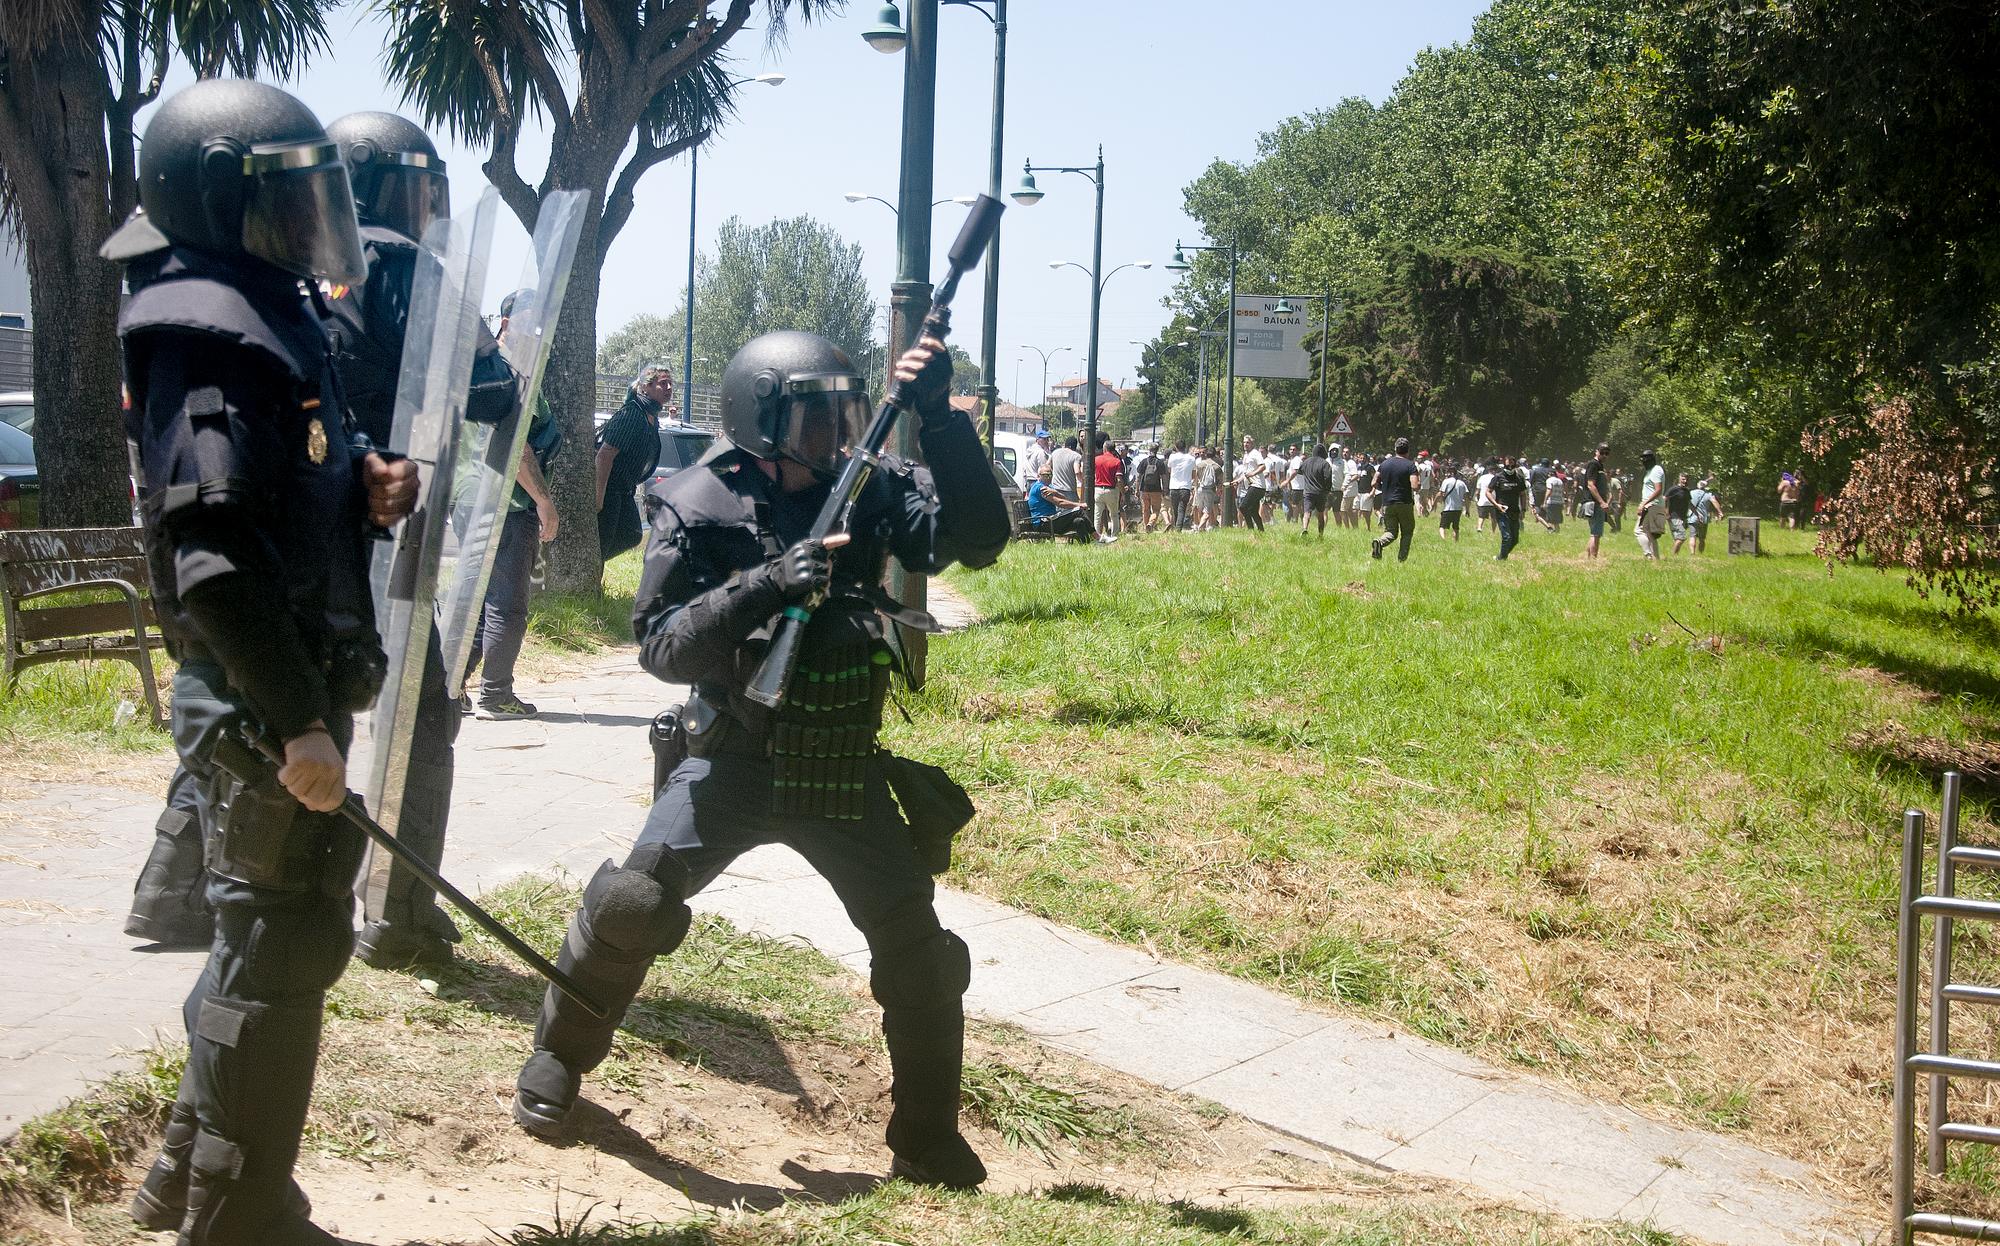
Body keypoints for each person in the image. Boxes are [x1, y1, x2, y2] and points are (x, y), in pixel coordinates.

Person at [510, 329, 1008, 1193]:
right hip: (732, 759)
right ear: (761, 419)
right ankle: (557, 1058)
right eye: (815, 422)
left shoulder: (871, 492)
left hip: (841, 766)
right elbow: (662, 650)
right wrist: (767, 584)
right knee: (630, 903)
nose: (835, 438)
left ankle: (926, 1135)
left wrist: (940, 419)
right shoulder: (695, 499)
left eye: (846, 417)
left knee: (923, 954)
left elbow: (980, 537)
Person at [105, 79, 420, 1245]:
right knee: (277, 957)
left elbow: (291, 487)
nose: (308, 221)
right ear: (218, 200)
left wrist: (375, 483)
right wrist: (298, 724)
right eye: (283, 199)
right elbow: (214, 562)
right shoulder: (209, 325)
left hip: (287, 688)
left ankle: (188, 1181)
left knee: (266, 948)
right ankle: (240, 1218)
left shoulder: (264, 308)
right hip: (258, 700)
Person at [465, 288, 562, 720]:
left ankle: (446, 688)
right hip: (507, 503)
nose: (540, 329)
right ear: (505, 322)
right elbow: (517, 448)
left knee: (477, 602)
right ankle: (495, 695)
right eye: (530, 318)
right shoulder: (514, 372)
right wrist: (544, 501)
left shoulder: (486, 368)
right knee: (508, 605)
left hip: (470, 497)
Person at [597, 364, 672, 561]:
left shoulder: (651, 418)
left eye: (670, 384)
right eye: (663, 384)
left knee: (632, 534)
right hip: (610, 489)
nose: (669, 388)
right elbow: (604, 455)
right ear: (645, 387)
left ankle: (594, 564)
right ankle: (591, 576)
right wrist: (598, 497)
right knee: (602, 543)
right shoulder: (632, 414)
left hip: (625, 488)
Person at [1369, 438, 1419, 561]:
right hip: (1404, 503)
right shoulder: (1410, 465)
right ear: (1408, 450)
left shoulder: (1384, 464)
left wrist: (1383, 487)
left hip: (1387, 503)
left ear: (1395, 449)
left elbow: (1374, 482)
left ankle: (1380, 542)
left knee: (1391, 531)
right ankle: (1401, 560)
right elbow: (1415, 486)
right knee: (1407, 532)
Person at [1026, 462, 1093, 541]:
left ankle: (1086, 544)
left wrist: (1055, 492)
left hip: (1050, 521)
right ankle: (1096, 536)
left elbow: (1063, 498)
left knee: (1078, 521)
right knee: (1078, 511)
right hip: (1043, 523)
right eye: (1045, 475)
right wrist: (1079, 505)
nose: (1048, 477)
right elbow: (1060, 503)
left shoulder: (1049, 487)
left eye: (1050, 475)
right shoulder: (1041, 488)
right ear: (1038, 476)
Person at [1580, 443, 1611, 559]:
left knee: (1594, 532)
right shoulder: (1594, 464)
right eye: (1602, 452)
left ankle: (1587, 557)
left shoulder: (1599, 465)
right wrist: (1602, 502)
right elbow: (1591, 485)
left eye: (1606, 453)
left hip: (1595, 503)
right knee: (1596, 533)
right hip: (1594, 503)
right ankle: (1593, 560)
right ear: (1596, 451)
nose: (1604, 455)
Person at [1635, 449, 1667, 559]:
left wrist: (1644, 503)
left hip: (1652, 505)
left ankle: (1649, 555)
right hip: (1652, 504)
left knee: (1639, 531)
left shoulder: (1656, 470)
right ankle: (1655, 558)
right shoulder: (1650, 471)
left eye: (1644, 458)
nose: (1643, 461)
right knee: (1650, 533)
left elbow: (1658, 489)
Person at [1091, 434, 1123, 539]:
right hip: (1111, 490)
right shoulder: (1117, 461)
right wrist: (1122, 490)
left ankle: (1097, 536)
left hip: (1098, 489)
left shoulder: (1096, 459)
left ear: (1104, 448)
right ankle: (1114, 535)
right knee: (1114, 514)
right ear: (1114, 449)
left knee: (1097, 515)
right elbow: (1119, 479)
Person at [1299, 443, 1334, 537]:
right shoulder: (1325, 464)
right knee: (1320, 514)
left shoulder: (1306, 462)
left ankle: (1305, 528)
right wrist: (1327, 490)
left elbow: (1300, 471)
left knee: (1307, 512)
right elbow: (1328, 477)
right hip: (1320, 493)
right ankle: (1320, 535)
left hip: (1308, 492)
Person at [1135, 441, 1169, 532]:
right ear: (1157, 450)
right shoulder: (1160, 463)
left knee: (1145, 509)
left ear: (1149, 450)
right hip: (1156, 490)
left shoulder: (1143, 462)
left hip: (1144, 489)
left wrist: (1137, 489)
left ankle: (1147, 527)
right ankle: (1151, 523)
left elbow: (1138, 477)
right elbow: (1164, 478)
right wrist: (1165, 489)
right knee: (1156, 510)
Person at [1236, 436, 1266, 532]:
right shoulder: (1246, 455)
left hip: (1257, 485)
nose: (1245, 444)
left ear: (1252, 444)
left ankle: (1250, 529)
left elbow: (1262, 466)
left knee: (1243, 507)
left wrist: (1252, 473)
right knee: (1253, 511)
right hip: (1251, 485)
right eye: (1244, 442)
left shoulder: (1255, 453)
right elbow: (1246, 473)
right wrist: (1238, 480)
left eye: (1247, 442)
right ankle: (1261, 531)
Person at [1689, 478, 1725, 553]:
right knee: (1702, 538)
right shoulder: (1708, 495)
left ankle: (1692, 553)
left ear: (1697, 485)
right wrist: (1720, 512)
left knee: (1693, 536)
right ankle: (1701, 552)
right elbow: (1714, 502)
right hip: (1703, 519)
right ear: (1705, 487)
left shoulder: (1691, 493)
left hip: (1692, 517)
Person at [1166, 440, 1195, 530]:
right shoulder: (1191, 458)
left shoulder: (1172, 457)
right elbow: (1193, 474)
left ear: (1176, 447)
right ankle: (1178, 528)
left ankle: (1176, 526)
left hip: (1174, 486)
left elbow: (1169, 470)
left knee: (1175, 509)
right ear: (1185, 447)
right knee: (1182, 508)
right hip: (1185, 487)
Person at [1192, 447, 1222, 530]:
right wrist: (1219, 490)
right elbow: (1220, 482)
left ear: (1206, 454)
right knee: (1207, 512)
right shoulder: (1217, 467)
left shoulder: (1199, 465)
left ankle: (1200, 527)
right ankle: (1201, 527)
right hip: (1210, 490)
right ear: (1214, 455)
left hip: (1200, 489)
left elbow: (1195, 478)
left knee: (1199, 509)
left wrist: (1195, 489)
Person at [1666, 472, 1694, 555]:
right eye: (1683, 479)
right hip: (1674, 516)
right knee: (1681, 537)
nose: (1685, 481)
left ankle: (1675, 557)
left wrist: (1696, 513)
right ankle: (1673, 555)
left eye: (1686, 479)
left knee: (1677, 538)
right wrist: (1666, 512)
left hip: (1683, 517)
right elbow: (1664, 499)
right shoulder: (1673, 489)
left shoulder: (1687, 491)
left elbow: (1689, 503)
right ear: (1679, 479)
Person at [1437, 467, 1468, 540]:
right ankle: (1455, 542)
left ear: (1450, 473)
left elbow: (1441, 493)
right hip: (1458, 509)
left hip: (1448, 508)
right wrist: (1467, 509)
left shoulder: (1446, 481)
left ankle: (1443, 540)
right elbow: (1466, 497)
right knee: (1456, 527)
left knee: (1442, 527)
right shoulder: (1462, 483)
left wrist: (1436, 502)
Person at [1474, 461, 1496, 535]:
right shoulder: (1496, 478)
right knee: (1494, 518)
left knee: (1481, 516)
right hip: (1493, 501)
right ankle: (1493, 532)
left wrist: (1477, 499)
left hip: (1483, 501)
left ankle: (1479, 527)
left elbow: (1477, 491)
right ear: (1494, 470)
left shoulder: (1482, 478)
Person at [1542, 466, 1566, 531]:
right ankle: (1557, 531)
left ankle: (1551, 531)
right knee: (1557, 520)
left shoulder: (1549, 480)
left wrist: (1544, 501)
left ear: (1550, 474)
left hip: (1551, 501)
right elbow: (1562, 492)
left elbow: (1549, 490)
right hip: (1559, 502)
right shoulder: (1560, 481)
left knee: (1550, 519)